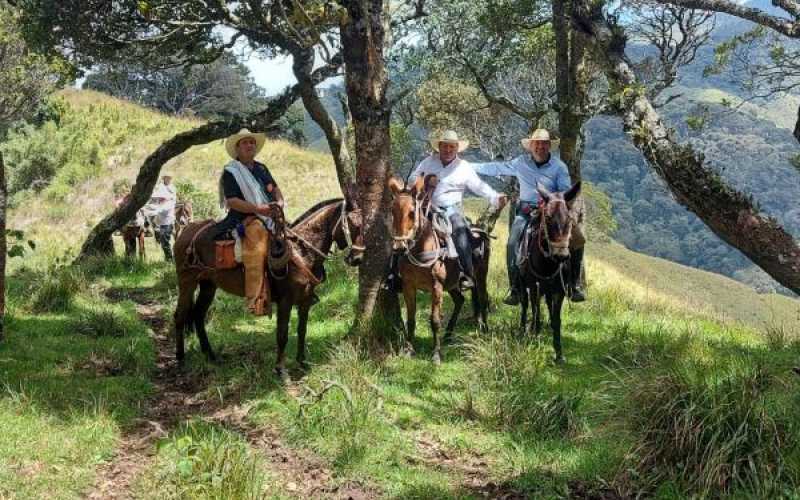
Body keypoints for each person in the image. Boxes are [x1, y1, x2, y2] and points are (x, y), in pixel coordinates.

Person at [472, 128, 586, 305]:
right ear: (531, 146)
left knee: (578, 238)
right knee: (512, 243)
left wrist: (550, 201)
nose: (540, 147)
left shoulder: (559, 167)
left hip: (551, 212)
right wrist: (467, 166)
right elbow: (496, 168)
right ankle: (515, 288)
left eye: (544, 144)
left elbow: (564, 193)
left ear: (549, 146)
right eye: (537, 143)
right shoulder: (520, 163)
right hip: (526, 212)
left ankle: (574, 284)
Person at [405, 130, 508, 289]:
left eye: (451, 147)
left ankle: (467, 274)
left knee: (460, 230)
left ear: (457, 148)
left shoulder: (463, 167)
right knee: (403, 226)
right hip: (426, 207)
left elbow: (479, 186)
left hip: (451, 210)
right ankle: (395, 273)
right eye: (444, 146)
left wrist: (495, 197)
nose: (447, 150)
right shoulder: (428, 161)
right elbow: (413, 177)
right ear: (439, 146)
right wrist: (424, 179)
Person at [213, 128, 284, 315]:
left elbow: (275, 189)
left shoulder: (262, 168)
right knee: (257, 246)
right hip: (244, 218)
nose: (249, 145)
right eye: (245, 142)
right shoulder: (231, 171)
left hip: (271, 215)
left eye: (252, 142)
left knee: (292, 238)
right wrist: (258, 209)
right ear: (237, 148)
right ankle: (256, 301)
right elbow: (232, 201)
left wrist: (280, 202)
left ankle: (294, 288)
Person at [142, 181, 177, 261]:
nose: (158, 199)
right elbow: (153, 207)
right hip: (163, 225)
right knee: (164, 242)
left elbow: (158, 211)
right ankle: (168, 258)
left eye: (160, 198)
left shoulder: (168, 204)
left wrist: (146, 210)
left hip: (167, 225)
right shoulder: (161, 203)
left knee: (165, 243)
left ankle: (170, 259)